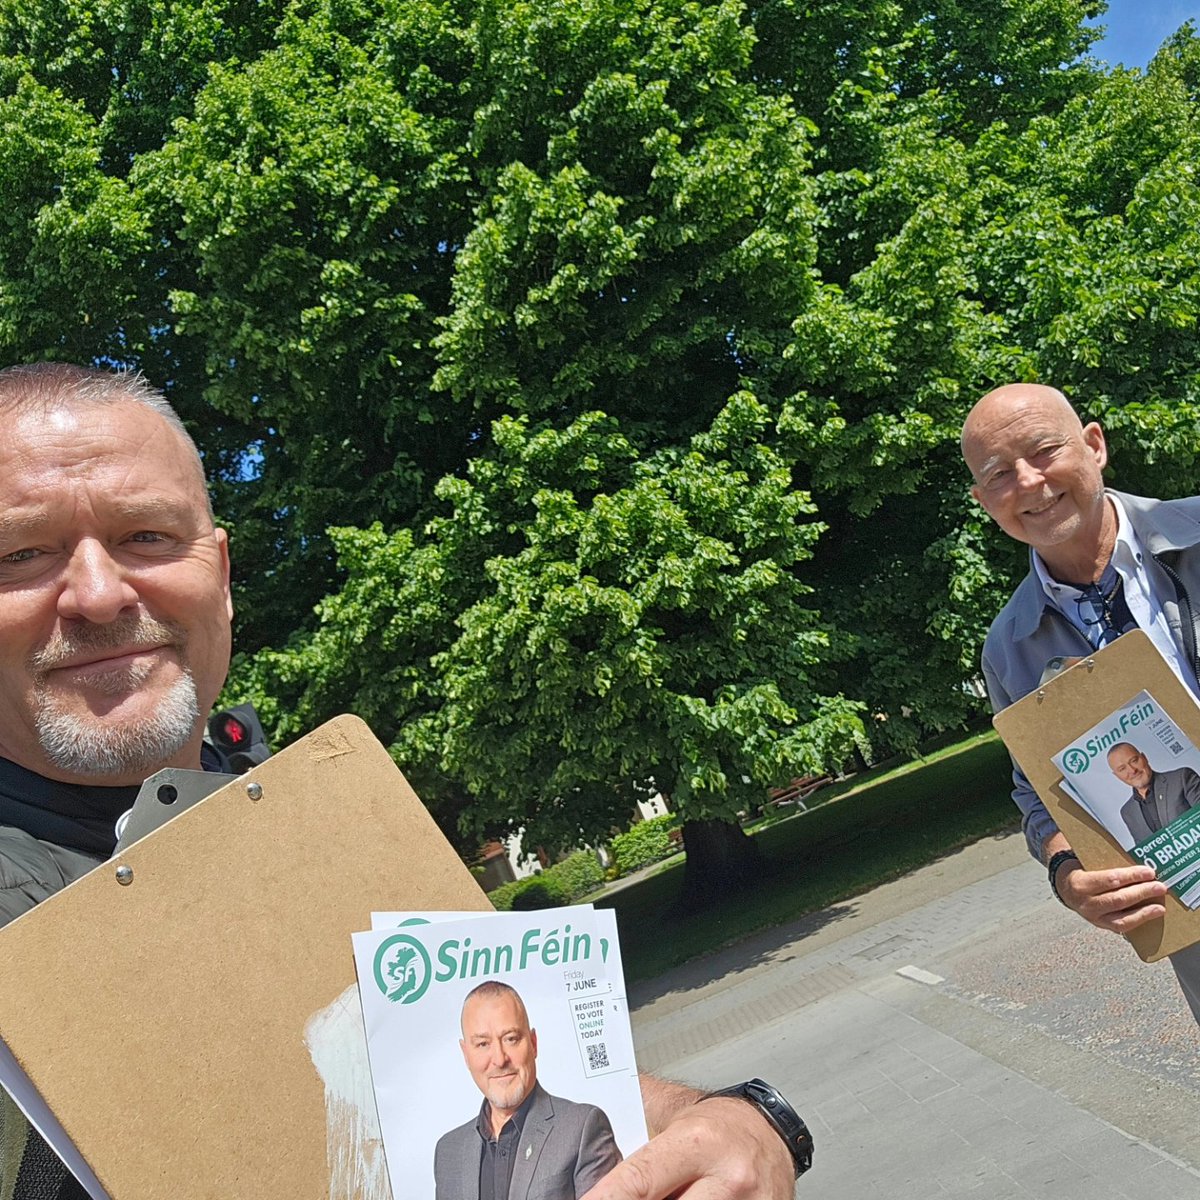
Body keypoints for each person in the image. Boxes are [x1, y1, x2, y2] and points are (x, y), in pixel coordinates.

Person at [0, 362, 802, 1200]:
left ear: (223, 576)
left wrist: (731, 1124)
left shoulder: (318, 809)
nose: (98, 593)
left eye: (148, 537)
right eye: (22, 554)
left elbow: (480, 1099)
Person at [961, 381, 1200, 1022]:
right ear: (985, 503)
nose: (1030, 483)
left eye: (1043, 451)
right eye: (999, 475)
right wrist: (1068, 875)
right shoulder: (1010, 650)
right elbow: (1039, 795)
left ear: (1094, 446)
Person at [434, 982, 620, 1200]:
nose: (500, 1059)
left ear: (533, 1043)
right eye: (483, 1044)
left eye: (511, 1039)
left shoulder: (582, 1128)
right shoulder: (448, 1153)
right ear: (466, 1055)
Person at [1105, 743, 1200, 844]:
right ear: (1117, 776)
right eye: (1122, 769)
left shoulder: (1182, 778)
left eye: (1134, 761)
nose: (1132, 770)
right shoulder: (1127, 812)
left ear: (1144, 758)